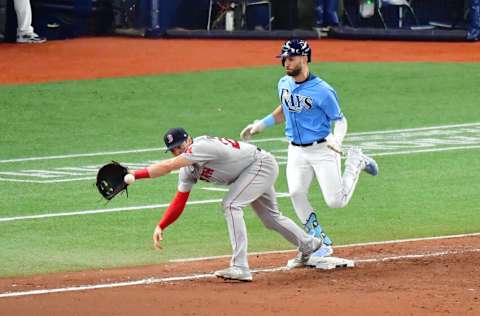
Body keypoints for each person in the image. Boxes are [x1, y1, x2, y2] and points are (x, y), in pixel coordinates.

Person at [240, 39, 378, 269]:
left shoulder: (323, 90)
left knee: (336, 201)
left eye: (291, 58)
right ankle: (319, 241)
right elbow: (285, 108)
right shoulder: (283, 83)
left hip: (323, 149)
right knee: (296, 193)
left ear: (304, 59)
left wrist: (337, 139)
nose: (286, 63)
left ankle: (356, 161)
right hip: (296, 150)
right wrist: (261, 125)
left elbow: (340, 120)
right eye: (284, 58)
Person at [126, 127, 324, 282]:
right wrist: (162, 224)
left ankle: (240, 267)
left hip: (260, 164)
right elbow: (180, 199)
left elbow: (167, 167)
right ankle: (309, 244)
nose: (178, 151)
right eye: (174, 149)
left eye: (180, 146)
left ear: (189, 139)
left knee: (231, 205)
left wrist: (135, 174)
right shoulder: (188, 170)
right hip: (249, 173)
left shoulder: (200, 147)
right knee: (271, 219)